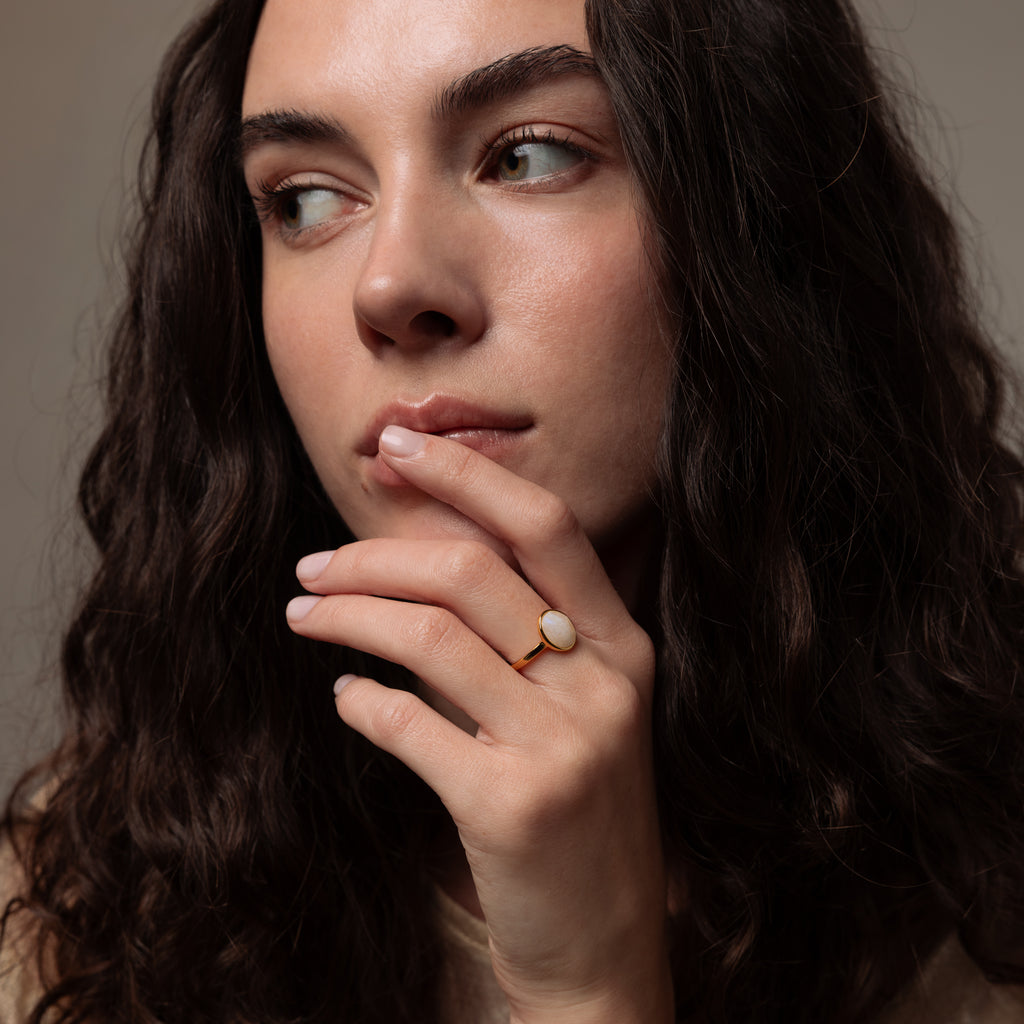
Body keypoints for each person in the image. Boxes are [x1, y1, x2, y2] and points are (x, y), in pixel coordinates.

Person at [2, 0, 1023, 1020]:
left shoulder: (988, 894)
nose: (389, 287)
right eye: (305, 200)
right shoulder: (76, 910)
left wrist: (592, 986)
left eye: (527, 156)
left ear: (758, 212)